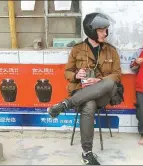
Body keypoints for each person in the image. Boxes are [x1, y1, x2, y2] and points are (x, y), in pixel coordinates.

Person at [47, 12, 123, 165]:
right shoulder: (77, 49)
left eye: (106, 30)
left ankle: (66, 104)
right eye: (101, 30)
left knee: (109, 83)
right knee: (88, 106)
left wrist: (98, 80)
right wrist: (77, 75)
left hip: (103, 95)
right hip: (82, 92)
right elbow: (67, 72)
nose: (105, 33)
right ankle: (87, 153)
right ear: (91, 30)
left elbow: (117, 75)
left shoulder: (111, 50)